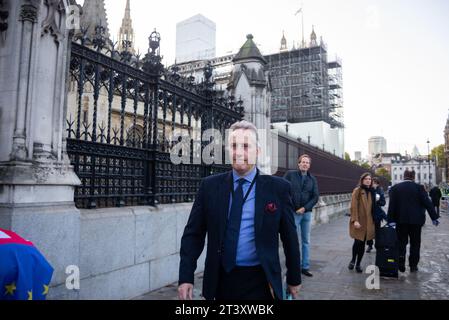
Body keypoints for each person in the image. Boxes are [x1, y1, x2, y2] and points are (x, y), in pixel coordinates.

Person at [178, 120, 301, 300]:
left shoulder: (278, 189)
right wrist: (186, 276)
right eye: (234, 145)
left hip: (261, 281)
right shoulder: (209, 187)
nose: (239, 152)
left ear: (257, 151)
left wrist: (294, 278)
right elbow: (193, 234)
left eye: (245, 146)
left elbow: (290, 237)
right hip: (219, 281)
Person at [387, 169, 440, 272]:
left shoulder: (395, 188)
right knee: (415, 243)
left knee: (401, 242)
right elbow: (427, 203)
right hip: (416, 221)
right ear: (414, 177)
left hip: (400, 221)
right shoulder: (419, 188)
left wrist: (391, 221)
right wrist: (434, 218)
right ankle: (413, 265)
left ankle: (401, 261)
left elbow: (391, 206)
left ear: (404, 176)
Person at [283, 155, 319, 277]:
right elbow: (283, 190)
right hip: (293, 213)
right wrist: (292, 207)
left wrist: (304, 208)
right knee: (293, 241)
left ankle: (305, 266)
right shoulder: (290, 175)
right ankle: (293, 267)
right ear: (298, 164)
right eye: (303, 162)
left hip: (306, 213)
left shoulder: (312, 179)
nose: (305, 164)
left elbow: (315, 197)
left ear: (309, 165)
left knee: (306, 241)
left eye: (307, 163)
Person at [348, 173, 375, 273]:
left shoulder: (372, 191)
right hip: (359, 221)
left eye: (369, 179)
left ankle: (358, 263)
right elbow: (353, 206)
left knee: (363, 243)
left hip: (369, 222)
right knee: (357, 242)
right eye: (366, 179)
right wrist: (355, 220)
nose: (368, 180)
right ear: (362, 180)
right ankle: (353, 260)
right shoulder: (358, 191)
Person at [366, 177, 387, 253]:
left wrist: (377, 201)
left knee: (377, 231)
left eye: (375, 183)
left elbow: (383, 203)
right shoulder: (369, 190)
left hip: (377, 214)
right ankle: (370, 245)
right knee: (369, 230)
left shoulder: (380, 191)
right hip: (369, 214)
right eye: (373, 182)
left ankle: (377, 246)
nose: (373, 184)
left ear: (377, 184)